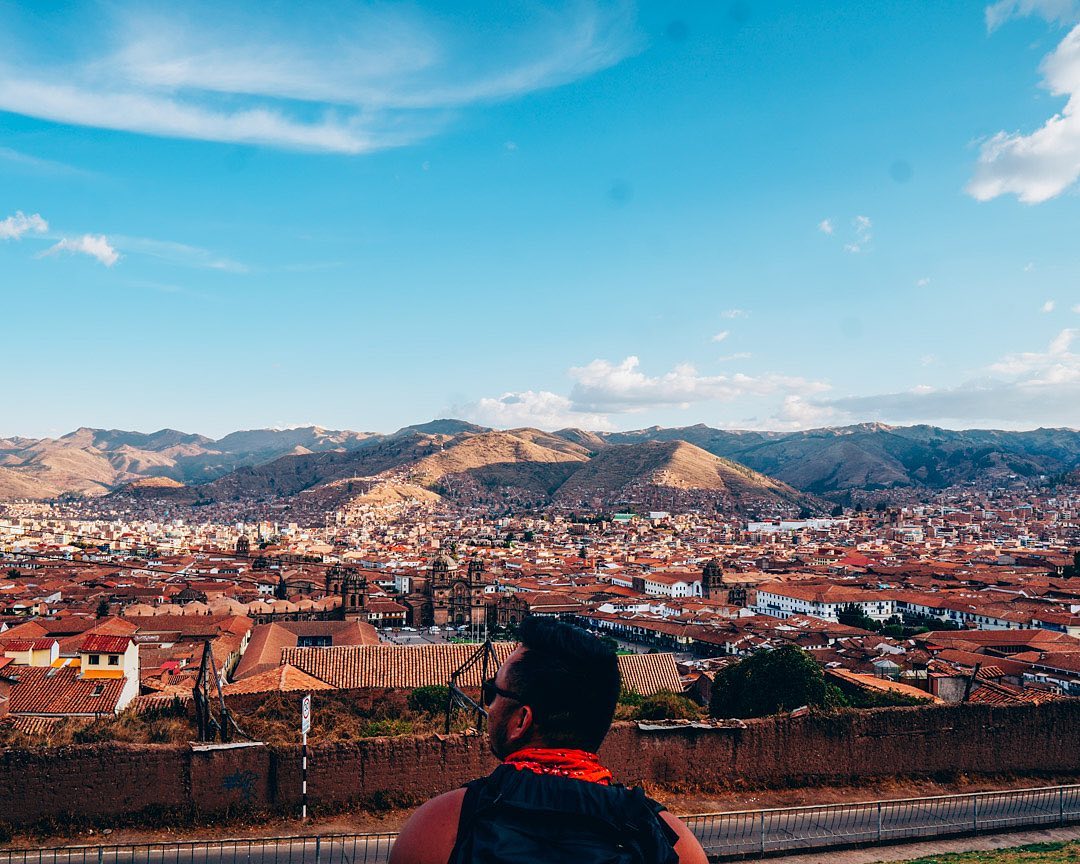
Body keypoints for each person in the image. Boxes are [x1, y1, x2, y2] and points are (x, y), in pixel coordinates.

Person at [390, 617, 708, 864]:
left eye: (492, 693)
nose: (488, 705)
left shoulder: (441, 828)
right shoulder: (672, 842)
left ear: (521, 721)